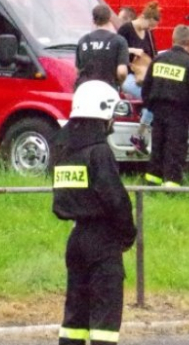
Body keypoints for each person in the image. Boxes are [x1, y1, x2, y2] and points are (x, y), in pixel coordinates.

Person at [53, 80, 137, 345]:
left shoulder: (64, 150)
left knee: (75, 318)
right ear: (103, 113)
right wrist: (127, 235)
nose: (112, 121)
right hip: (102, 242)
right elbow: (116, 200)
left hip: (76, 240)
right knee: (105, 320)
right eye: (111, 115)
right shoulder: (99, 152)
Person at [141, 25, 189, 187]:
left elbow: (146, 87)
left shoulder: (158, 59)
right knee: (175, 148)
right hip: (179, 113)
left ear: (173, 39)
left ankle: (152, 182)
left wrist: (151, 106)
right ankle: (172, 184)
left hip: (158, 111)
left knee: (157, 147)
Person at [118, 1, 160, 155]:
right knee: (150, 99)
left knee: (154, 100)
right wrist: (132, 50)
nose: (149, 29)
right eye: (149, 25)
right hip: (128, 75)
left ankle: (139, 135)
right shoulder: (126, 29)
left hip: (143, 76)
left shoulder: (148, 33)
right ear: (144, 17)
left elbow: (153, 55)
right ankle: (139, 135)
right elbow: (117, 47)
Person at [75, 4, 129, 89]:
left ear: (93, 20)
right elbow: (122, 72)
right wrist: (120, 84)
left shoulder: (83, 40)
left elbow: (77, 70)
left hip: (84, 89)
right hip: (108, 89)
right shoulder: (119, 41)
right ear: (110, 19)